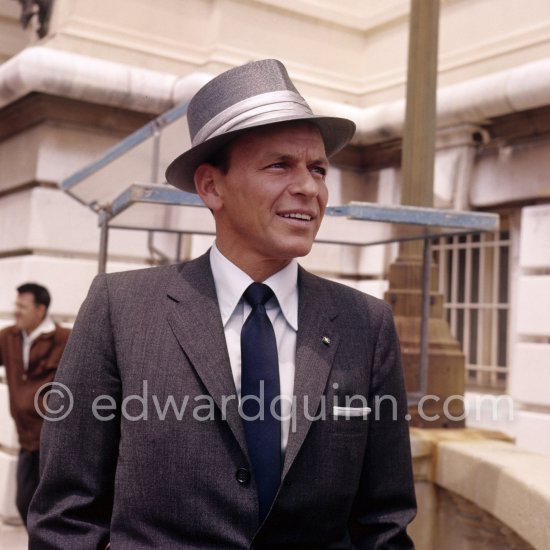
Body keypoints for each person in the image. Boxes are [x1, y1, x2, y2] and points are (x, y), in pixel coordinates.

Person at [28, 59, 416, 548]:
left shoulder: (368, 322)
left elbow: (384, 522)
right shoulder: (120, 308)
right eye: (280, 165)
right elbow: (66, 515)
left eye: (318, 168)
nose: (309, 188)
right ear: (212, 186)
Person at [0, 283, 70, 526]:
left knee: (49, 507)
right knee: (23, 502)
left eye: (22, 306)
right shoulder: (9, 337)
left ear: (40, 310)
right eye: (16, 305)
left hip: (51, 440)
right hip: (25, 440)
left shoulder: (63, 339)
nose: (16, 311)